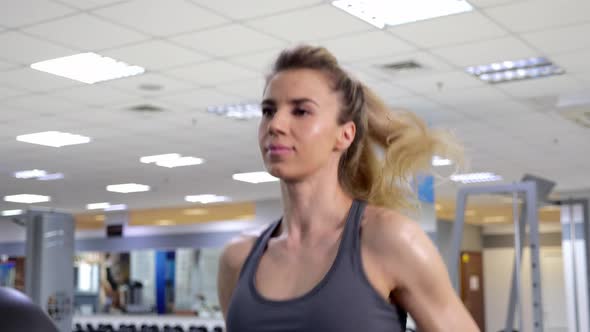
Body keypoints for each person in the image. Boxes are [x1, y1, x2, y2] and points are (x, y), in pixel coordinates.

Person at [217, 45, 479, 332]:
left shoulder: (389, 240)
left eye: (301, 111)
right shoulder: (238, 258)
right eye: (269, 110)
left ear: (345, 135)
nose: (275, 124)